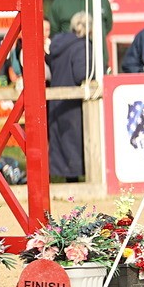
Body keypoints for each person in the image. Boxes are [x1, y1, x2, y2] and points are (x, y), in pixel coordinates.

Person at [47, 11, 91, 181]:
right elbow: (82, 74)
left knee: (63, 143)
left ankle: (69, 182)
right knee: (77, 143)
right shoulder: (82, 45)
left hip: (57, 100)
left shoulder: (58, 43)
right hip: (74, 103)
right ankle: (80, 182)